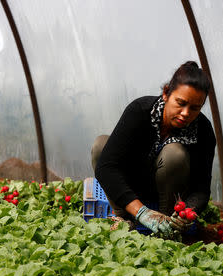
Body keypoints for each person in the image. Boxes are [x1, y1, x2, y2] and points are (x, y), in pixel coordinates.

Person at [92, 61, 216, 237]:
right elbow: (106, 167)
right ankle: (122, 219)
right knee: (101, 146)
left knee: (174, 154)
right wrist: (141, 212)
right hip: (133, 194)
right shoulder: (140, 111)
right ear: (166, 93)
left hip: (170, 201)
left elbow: (202, 190)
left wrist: (187, 212)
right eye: (181, 103)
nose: (186, 113)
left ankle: (166, 227)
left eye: (195, 108)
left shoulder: (203, 130)